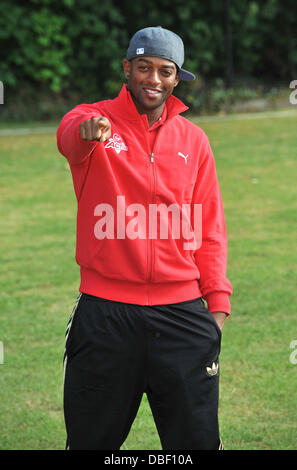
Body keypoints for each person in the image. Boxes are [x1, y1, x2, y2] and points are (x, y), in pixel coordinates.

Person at [57, 26, 232, 451]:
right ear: (127, 69)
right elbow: (71, 136)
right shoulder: (93, 120)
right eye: (143, 68)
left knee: (197, 444)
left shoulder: (194, 140)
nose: (153, 79)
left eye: (164, 71)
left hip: (182, 316)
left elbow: (209, 228)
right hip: (106, 317)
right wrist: (88, 130)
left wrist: (217, 308)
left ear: (177, 78)